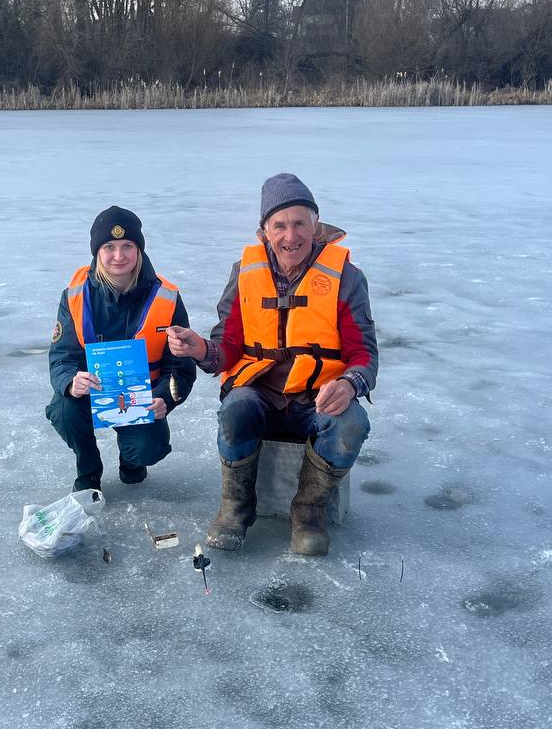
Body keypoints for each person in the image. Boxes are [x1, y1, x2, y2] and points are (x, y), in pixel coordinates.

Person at [167, 174, 377, 556]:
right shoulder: (244, 273)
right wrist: (199, 348)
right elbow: (225, 348)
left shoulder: (347, 277)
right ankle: (236, 508)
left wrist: (349, 384)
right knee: (236, 408)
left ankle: (308, 512)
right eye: (279, 225)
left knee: (352, 424)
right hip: (261, 395)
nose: (290, 235)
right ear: (264, 232)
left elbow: (364, 355)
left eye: (300, 223)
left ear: (316, 226)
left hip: (316, 401)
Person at [47, 206, 196, 492]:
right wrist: (70, 382)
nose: (119, 256)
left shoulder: (166, 297)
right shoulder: (75, 295)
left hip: (141, 398)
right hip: (93, 394)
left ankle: (132, 460)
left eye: (128, 245)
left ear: (139, 249)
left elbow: (181, 367)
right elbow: (61, 357)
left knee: (149, 447)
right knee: (64, 408)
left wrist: (165, 397)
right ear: (97, 252)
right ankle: (88, 470)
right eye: (109, 247)